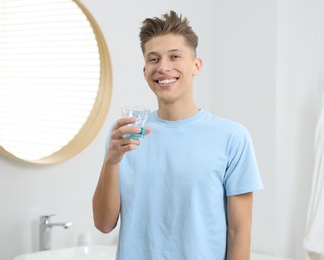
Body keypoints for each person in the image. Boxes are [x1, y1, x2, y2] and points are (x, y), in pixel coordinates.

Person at [92, 10, 263, 260]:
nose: (163, 67)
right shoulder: (125, 136)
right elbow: (104, 224)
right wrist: (111, 161)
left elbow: (239, 231)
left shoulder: (232, 137)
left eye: (175, 56)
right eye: (153, 59)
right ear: (144, 70)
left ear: (196, 65)